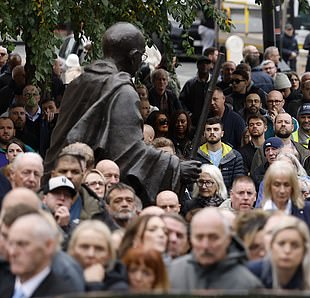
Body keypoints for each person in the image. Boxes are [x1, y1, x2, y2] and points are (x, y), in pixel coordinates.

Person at [44, 22, 201, 204]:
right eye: (141, 56)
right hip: (86, 191)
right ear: (133, 56)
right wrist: (176, 166)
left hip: (57, 178)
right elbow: (128, 152)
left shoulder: (79, 82)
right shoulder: (122, 91)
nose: (141, 61)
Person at [169, 207, 263, 290]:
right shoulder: (173, 273)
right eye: (199, 237)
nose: (205, 245)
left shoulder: (248, 284)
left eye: (213, 237)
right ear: (191, 239)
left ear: (228, 239)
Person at [2, 213, 85, 298]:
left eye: (22, 244)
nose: (12, 252)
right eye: (10, 244)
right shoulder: (4, 285)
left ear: (48, 246)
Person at [248, 216, 310, 292]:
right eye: (281, 244)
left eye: (295, 245)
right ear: (271, 246)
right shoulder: (249, 275)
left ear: (305, 250)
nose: (287, 250)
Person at [260, 160, 310, 236]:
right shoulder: (259, 215)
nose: (282, 190)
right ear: (269, 186)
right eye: (277, 185)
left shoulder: (309, 211)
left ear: (293, 187)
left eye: (286, 185)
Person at [67, 220, 127, 291]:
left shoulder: (119, 288)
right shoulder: (59, 279)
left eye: (99, 249)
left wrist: (93, 285)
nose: (91, 254)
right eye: (84, 247)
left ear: (109, 254)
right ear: (72, 250)